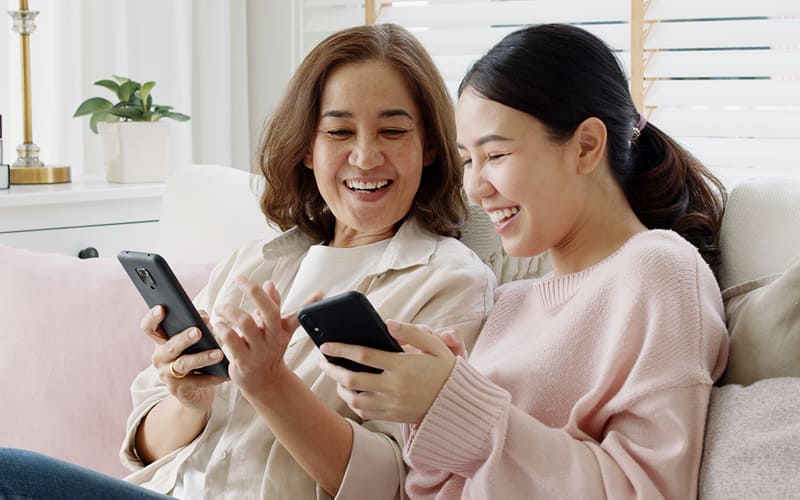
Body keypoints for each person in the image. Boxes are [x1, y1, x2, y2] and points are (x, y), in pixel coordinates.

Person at [0, 24, 494, 499]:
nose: (365, 156)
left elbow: (392, 485)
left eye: (392, 131)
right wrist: (189, 401)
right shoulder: (254, 262)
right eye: (339, 132)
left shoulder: (449, 283)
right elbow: (144, 453)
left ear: (428, 146)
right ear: (306, 148)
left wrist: (270, 384)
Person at [319, 23, 730, 499]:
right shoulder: (510, 306)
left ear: (587, 146)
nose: (475, 189)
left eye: (495, 154)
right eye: (467, 161)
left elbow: (646, 489)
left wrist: (457, 403)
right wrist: (431, 406)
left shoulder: (658, 271)